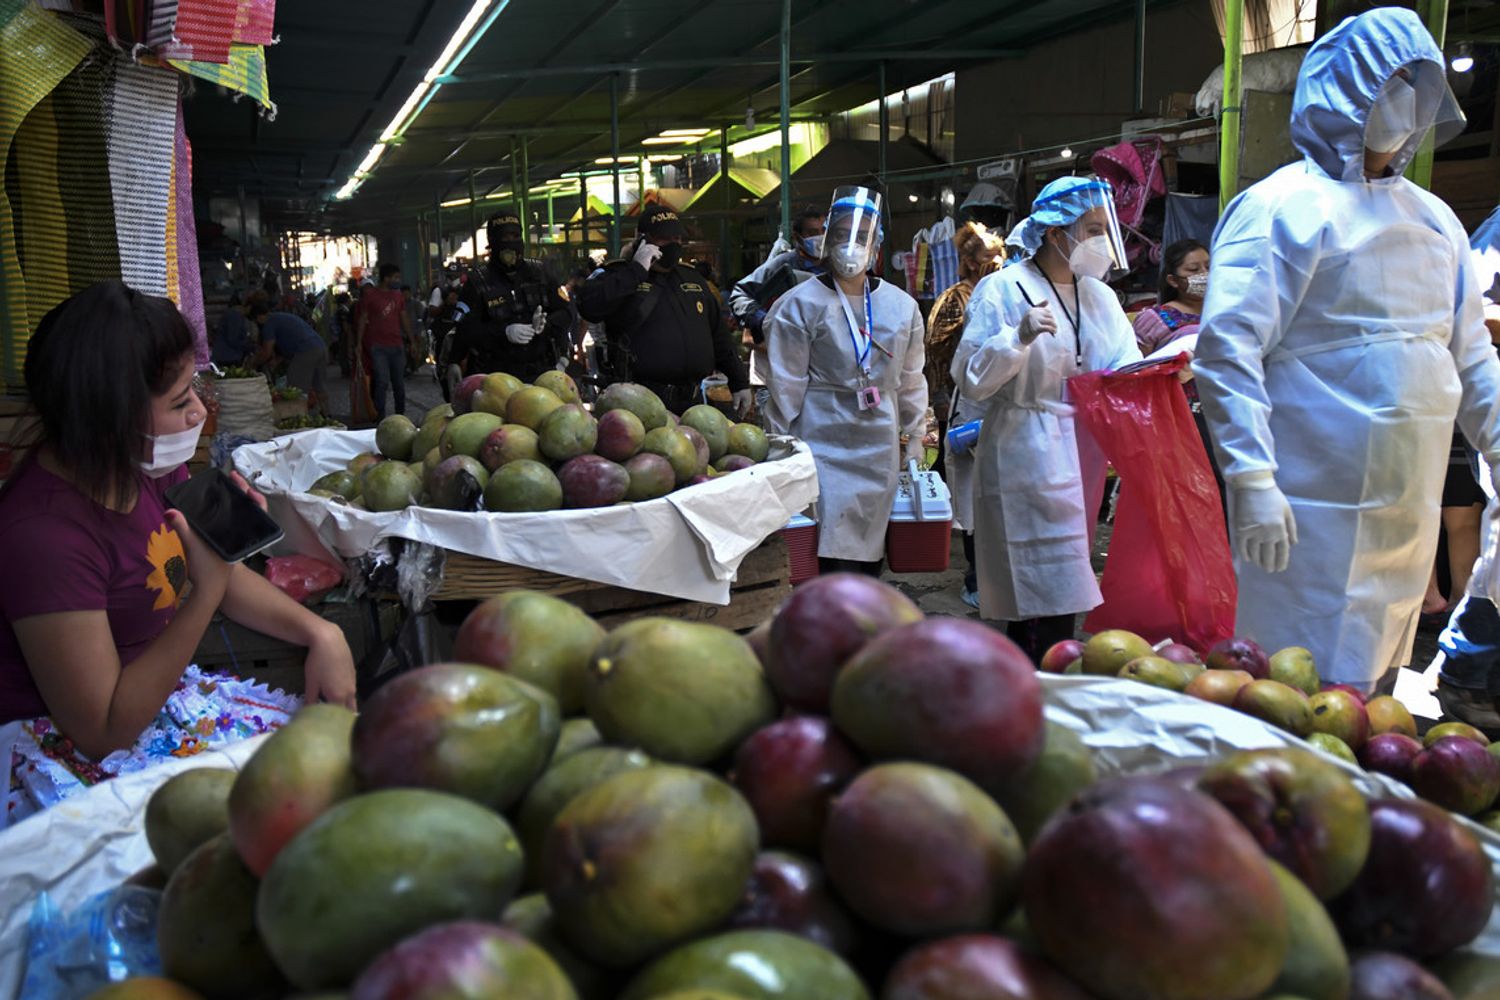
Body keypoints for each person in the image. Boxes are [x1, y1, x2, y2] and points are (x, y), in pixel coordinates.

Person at [1194, 7, 1500, 694]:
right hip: (1307, 502)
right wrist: (1252, 478)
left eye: (1417, 85)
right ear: (1344, 90)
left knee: (1377, 686)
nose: (1407, 102)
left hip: (1409, 495)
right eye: (1392, 82)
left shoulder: (1435, 220)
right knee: (1293, 685)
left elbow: (1472, 354)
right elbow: (1227, 350)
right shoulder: (1279, 208)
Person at [0, 282, 356, 825]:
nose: (199, 413)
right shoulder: (42, 537)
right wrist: (205, 590)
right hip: (63, 750)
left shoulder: (145, 464)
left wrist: (321, 634)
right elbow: (101, 731)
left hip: (159, 702)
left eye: (196, 391)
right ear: (110, 418)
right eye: (180, 400)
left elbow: (218, 569)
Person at [952, 176, 1142, 663]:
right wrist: (1014, 339)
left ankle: (1052, 671)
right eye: (1093, 228)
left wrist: (1161, 372)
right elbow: (972, 379)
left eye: (1105, 228)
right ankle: (1027, 674)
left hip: (1082, 446)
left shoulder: (1099, 296)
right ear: (1057, 233)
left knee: (1068, 573)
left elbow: (1124, 365)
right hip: (1024, 445)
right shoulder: (1003, 288)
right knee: (1033, 578)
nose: (1102, 239)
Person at [764, 185, 927, 576]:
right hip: (820, 437)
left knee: (869, 545)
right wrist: (777, 444)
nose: (850, 245)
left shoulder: (901, 307)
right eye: (840, 235)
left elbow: (910, 377)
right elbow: (785, 384)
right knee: (826, 543)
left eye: (862, 236)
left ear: (877, 246)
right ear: (825, 241)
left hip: (878, 441)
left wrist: (917, 433)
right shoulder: (799, 304)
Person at [578, 204, 751, 416]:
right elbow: (589, 306)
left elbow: (718, 335)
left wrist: (738, 381)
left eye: (677, 238)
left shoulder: (692, 278)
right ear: (642, 238)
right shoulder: (617, 275)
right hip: (638, 401)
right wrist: (637, 270)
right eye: (664, 238)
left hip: (692, 401)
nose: (673, 244)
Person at [926, 221, 1003, 608]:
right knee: (968, 491)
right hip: (960, 398)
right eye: (990, 256)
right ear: (970, 261)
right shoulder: (955, 298)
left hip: (1000, 404)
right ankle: (972, 574)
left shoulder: (1007, 292)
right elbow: (937, 348)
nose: (998, 262)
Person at [452, 213, 571, 385]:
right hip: (495, 377)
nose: (510, 243)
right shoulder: (477, 281)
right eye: (504, 237)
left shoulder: (540, 273)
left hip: (540, 371)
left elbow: (566, 312)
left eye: (515, 236)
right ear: (492, 241)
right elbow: (466, 330)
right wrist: (503, 332)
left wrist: (546, 325)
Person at [730, 206, 827, 415]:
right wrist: (764, 321)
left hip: (818, 384)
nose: (820, 238)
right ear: (798, 237)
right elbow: (740, 295)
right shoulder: (782, 267)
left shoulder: (834, 268)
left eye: (824, 231)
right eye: (812, 233)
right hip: (776, 384)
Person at [250, 301, 329, 414]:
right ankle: (327, 414)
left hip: (305, 351)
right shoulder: (281, 317)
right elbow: (290, 340)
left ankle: (299, 418)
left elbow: (267, 351)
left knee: (295, 389)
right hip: (320, 347)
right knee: (320, 385)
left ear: (259, 317)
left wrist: (254, 363)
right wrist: (277, 360)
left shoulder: (269, 323)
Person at [356, 263, 412, 419]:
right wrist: (358, 343)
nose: (398, 280)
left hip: (397, 346)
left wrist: (411, 340)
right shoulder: (370, 295)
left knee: (398, 384)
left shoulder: (398, 296)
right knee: (381, 382)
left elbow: (404, 317)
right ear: (386, 278)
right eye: (395, 277)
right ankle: (379, 417)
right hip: (378, 347)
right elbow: (363, 319)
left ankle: (401, 416)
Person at [1133, 239, 1209, 354]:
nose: (1205, 274)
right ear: (1173, 280)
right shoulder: (1155, 319)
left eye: (1208, 267)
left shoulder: (1224, 312)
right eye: (1194, 269)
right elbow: (1136, 365)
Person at [211, 292, 253, 367]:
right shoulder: (234, 316)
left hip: (228, 355)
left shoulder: (235, 315)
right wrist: (250, 347)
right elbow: (233, 339)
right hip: (228, 357)